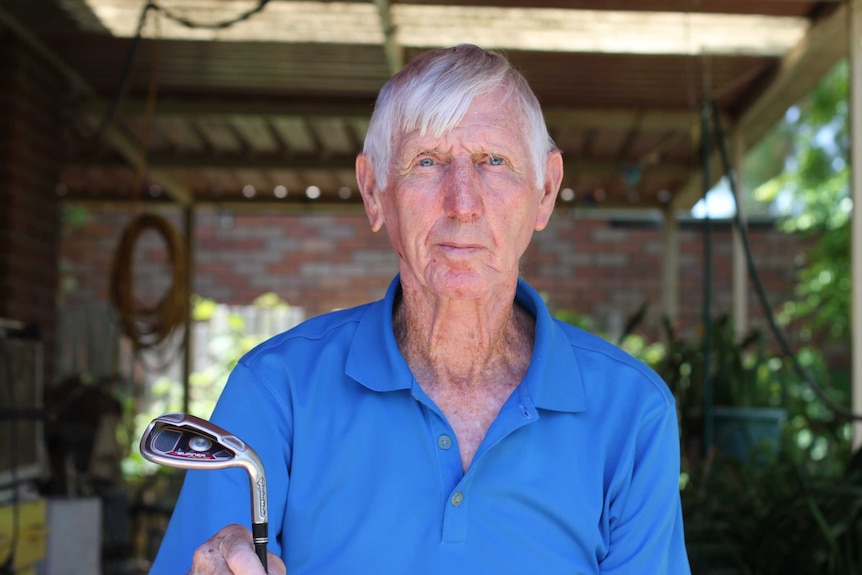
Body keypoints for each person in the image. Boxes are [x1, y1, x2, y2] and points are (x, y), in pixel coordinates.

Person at [150, 44, 691, 575]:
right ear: (373, 191)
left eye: (494, 161)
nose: (462, 202)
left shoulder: (633, 413)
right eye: (426, 161)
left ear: (545, 190)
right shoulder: (277, 390)